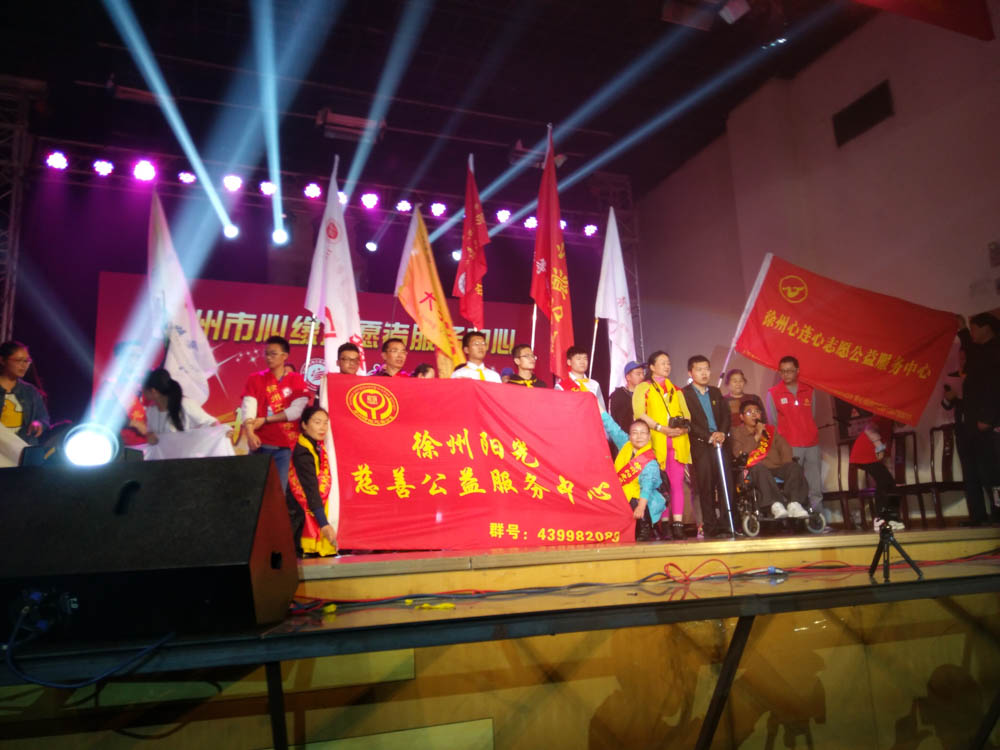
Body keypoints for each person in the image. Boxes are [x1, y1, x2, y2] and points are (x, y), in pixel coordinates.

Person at [632, 351, 691, 540]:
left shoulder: (677, 390)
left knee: (676, 484)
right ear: (652, 367)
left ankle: (678, 524)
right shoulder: (644, 387)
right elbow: (639, 413)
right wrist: (660, 428)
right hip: (656, 442)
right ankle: (663, 525)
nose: (667, 366)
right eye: (663, 363)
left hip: (677, 442)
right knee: (660, 485)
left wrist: (682, 428)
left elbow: (687, 415)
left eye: (669, 363)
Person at [241, 336, 310, 492]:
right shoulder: (255, 378)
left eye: (273, 354)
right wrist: (250, 434)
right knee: (252, 491)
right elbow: (248, 407)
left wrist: (265, 420)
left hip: (283, 448)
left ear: (285, 356)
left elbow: (296, 411)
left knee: (277, 493)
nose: (268, 357)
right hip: (259, 444)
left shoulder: (297, 380)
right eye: (266, 354)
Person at [730, 400, 809, 519]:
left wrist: (786, 466)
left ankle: (794, 504)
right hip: (754, 470)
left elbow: (785, 448)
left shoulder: (771, 431)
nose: (754, 414)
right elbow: (740, 454)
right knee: (759, 468)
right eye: (749, 412)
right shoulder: (737, 433)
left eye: (757, 411)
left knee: (794, 467)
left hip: (776, 468)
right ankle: (775, 505)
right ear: (741, 417)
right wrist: (757, 436)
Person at [682, 356, 734, 537]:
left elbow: (726, 416)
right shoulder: (684, 394)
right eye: (699, 369)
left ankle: (728, 524)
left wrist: (722, 433)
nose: (704, 373)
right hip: (701, 445)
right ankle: (710, 526)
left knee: (725, 484)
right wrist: (708, 436)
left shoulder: (715, 392)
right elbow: (688, 422)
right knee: (706, 486)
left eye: (706, 369)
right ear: (690, 373)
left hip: (720, 443)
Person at [766, 356, 824, 516]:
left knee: (815, 485)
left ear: (797, 371)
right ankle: (798, 517)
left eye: (790, 371)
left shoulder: (809, 390)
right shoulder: (773, 393)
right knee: (795, 484)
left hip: (811, 444)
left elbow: (812, 415)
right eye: (783, 371)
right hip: (790, 446)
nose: (786, 374)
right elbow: (773, 422)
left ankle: (817, 517)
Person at [956, 313, 1000, 524]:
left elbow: (995, 389)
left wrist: (988, 418)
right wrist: (962, 329)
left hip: (985, 424)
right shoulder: (979, 353)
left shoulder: (995, 352)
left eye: (974, 328)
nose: (972, 334)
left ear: (986, 328)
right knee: (971, 472)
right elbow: (970, 350)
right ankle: (977, 516)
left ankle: (998, 514)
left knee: (991, 473)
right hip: (969, 423)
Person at [601, 412, 665, 542]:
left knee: (635, 499)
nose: (639, 436)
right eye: (635, 433)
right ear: (630, 436)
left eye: (643, 433)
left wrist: (641, 507)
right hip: (622, 494)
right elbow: (612, 427)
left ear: (649, 436)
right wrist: (598, 407)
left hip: (645, 500)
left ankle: (646, 527)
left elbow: (646, 488)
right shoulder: (626, 444)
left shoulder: (650, 461)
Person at [286, 405, 338, 558]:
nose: (323, 427)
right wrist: (324, 524)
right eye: (317, 422)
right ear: (304, 425)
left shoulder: (319, 446)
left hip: (311, 511)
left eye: (325, 422)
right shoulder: (303, 452)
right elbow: (311, 489)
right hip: (299, 519)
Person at [132, 368, 216, 443]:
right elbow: (155, 437)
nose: (142, 392)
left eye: (143, 389)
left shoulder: (185, 404)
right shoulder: (151, 411)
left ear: (154, 391)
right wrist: (150, 437)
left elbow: (212, 424)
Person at [849, 417, 902, 530]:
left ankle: (891, 518)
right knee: (885, 483)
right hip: (864, 454)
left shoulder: (890, 426)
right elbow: (869, 429)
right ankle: (881, 519)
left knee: (889, 483)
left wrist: (889, 472)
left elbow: (885, 455)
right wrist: (879, 447)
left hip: (870, 456)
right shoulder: (884, 416)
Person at [0, 340, 50, 446]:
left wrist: (38, 424)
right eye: (19, 360)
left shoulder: (30, 391)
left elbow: (43, 418)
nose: (24, 365)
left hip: (22, 448)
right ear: (3, 360)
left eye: (27, 361)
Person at [555, 346, 605, 410]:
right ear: (569, 362)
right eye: (578, 359)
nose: (582, 362)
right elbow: (558, 410)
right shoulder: (560, 387)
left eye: (585, 358)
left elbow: (602, 410)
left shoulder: (595, 384)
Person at [608, 361, 645, 433]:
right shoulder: (618, 395)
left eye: (643, 373)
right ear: (628, 377)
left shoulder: (647, 393)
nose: (642, 377)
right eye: (638, 374)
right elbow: (613, 421)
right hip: (624, 436)